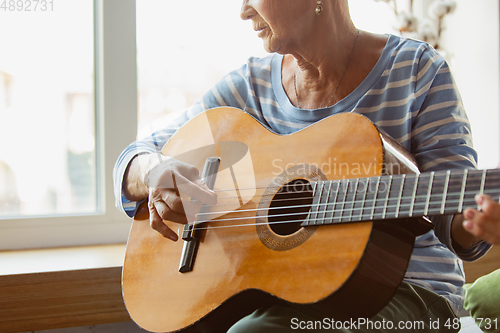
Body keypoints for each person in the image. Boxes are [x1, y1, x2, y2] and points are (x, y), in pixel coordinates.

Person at [113, 0, 500, 331]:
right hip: (287, 296)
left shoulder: (418, 71)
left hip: (418, 294)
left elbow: (455, 217)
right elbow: (138, 154)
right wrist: (153, 172)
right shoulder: (250, 87)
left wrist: (478, 221)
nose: (243, 10)